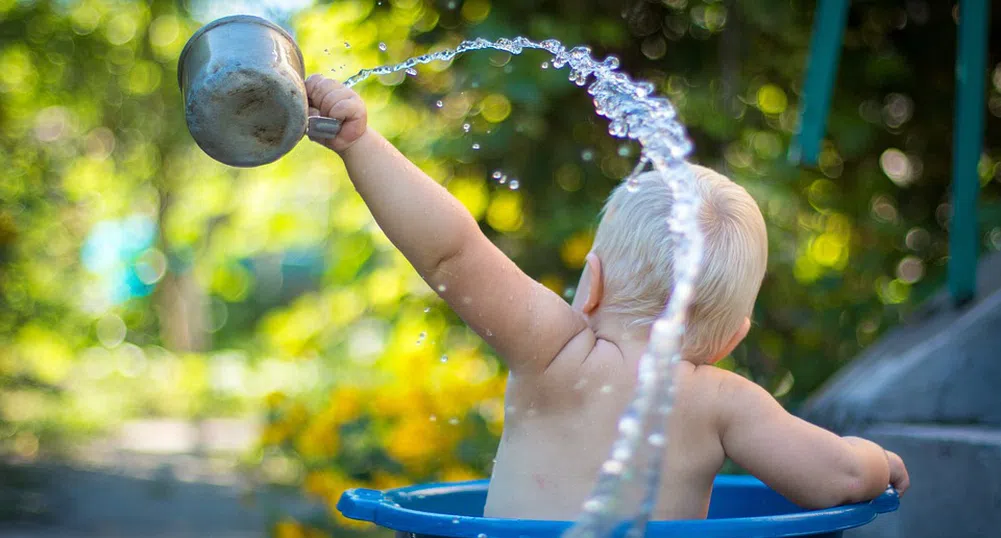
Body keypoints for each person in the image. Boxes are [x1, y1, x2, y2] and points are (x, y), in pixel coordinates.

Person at [303, 74, 910, 520]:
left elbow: (452, 252)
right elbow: (839, 476)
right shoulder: (725, 403)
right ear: (732, 338)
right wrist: (880, 461)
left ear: (589, 283)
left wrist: (360, 142)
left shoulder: (555, 354)